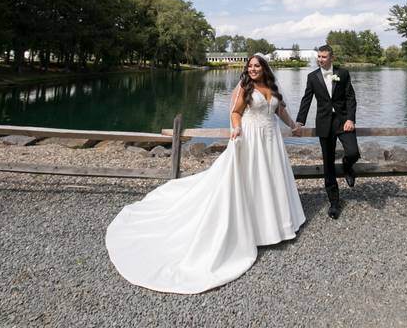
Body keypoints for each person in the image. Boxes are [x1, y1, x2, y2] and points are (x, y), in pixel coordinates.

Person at [105, 53, 305, 294]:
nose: (252, 69)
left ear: (264, 68)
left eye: (256, 66)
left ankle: (278, 226)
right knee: (252, 181)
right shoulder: (245, 87)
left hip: (271, 141)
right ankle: (256, 230)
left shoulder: (271, 87)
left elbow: (279, 111)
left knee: (271, 180)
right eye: (250, 66)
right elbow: (235, 113)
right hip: (251, 139)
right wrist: (237, 128)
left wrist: (293, 125)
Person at [295, 44, 359, 219]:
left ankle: (347, 166)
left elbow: (350, 97)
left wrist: (350, 119)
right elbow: (306, 99)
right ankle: (334, 202)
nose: (320, 59)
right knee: (328, 164)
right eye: (319, 57)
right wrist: (300, 121)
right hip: (324, 124)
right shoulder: (312, 77)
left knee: (353, 152)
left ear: (331, 58)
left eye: (324, 57)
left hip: (343, 121)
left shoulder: (343, 73)